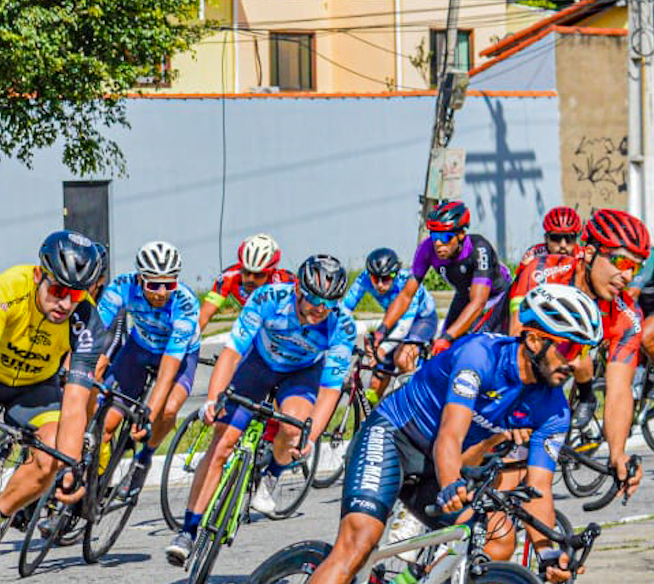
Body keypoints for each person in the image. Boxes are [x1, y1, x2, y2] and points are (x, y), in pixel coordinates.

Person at [265, 283, 598, 584]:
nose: (578, 363)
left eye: (585, 351)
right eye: (571, 349)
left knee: (489, 541)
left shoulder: (554, 409)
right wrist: (453, 484)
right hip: (397, 437)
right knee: (359, 539)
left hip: (442, 463)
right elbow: (448, 439)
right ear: (534, 339)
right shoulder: (480, 356)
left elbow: (540, 487)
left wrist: (549, 552)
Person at [167, 254, 358, 563]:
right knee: (221, 444)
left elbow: (329, 390)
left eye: (329, 303)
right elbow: (231, 354)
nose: (320, 309)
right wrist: (214, 398)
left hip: (300, 375)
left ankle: (272, 475)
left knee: (293, 427)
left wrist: (310, 438)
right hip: (258, 364)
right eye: (313, 299)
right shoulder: (268, 298)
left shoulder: (341, 325)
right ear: (298, 290)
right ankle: (188, 531)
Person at [0, 230, 111, 523]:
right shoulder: (10, 287)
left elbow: (74, 403)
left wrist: (70, 466)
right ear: (37, 275)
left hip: (33, 390)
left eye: (76, 295)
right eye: (58, 291)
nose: (65, 305)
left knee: (51, 458)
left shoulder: (87, 321)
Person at [507, 208, 653, 499]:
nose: (626, 276)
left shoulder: (627, 316)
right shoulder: (542, 272)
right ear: (588, 252)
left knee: (531, 495)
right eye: (621, 261)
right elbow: (513, 341)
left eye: (634, 268)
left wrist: (617, 453)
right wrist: (514, 409)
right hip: (499, 372)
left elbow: (620, 390)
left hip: (544, 385)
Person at [92, 240, 201, 494]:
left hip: (178, 357)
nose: (162, 292)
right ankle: (92, 486)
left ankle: (144, 459)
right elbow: (94, 332)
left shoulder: (185, 305)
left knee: (169, 409)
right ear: (140, 278)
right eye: (154, 284)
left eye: (169, 284)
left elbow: (167, 372)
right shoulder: (123, 286)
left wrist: (149, 416)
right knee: (105, 424)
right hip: (139, 349)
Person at [382, 199, 508, 354]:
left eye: (446, 237)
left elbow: (478, 302)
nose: (439, 244)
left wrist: (448, 337)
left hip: (495, 297)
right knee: (442, 350)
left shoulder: (479, 248)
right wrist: (383, 328)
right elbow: (406, 295)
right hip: (465, 294)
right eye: (435, 236)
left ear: (461, 234)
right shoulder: (427, 249)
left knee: (471, 345)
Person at [347, 247, 439, 382]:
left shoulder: (408, 282)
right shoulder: (364, 279)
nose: (379, 285)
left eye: (385, 279)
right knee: (376, 380)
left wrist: (382, 350)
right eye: (375, 278)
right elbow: (345, 309)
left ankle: (418, 394)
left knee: (402, 359)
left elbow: (404, 326)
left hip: (422, 320)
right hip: (393, 320)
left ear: (394, 274)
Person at [519, 205, 583, 267]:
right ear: (546, 239)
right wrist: (524, 267)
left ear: (575, 240)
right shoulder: (534, 254)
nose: (563, 245)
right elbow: (521, 277)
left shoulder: (583, 256)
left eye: (569, 238)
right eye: (556, 238)